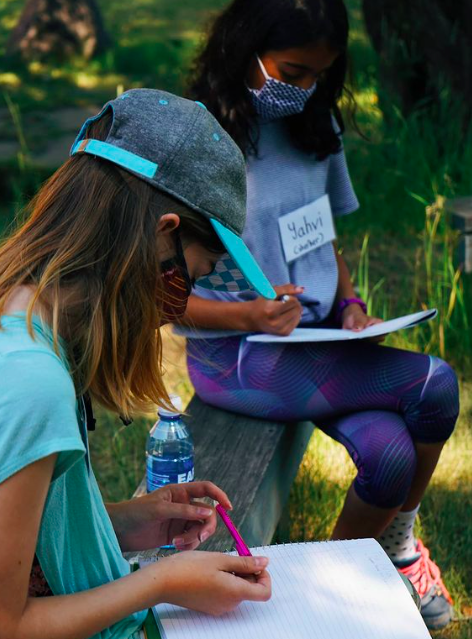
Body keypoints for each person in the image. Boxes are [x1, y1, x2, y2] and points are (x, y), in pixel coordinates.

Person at [179, 0, 460, 630]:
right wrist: (248, 312)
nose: (303, 89)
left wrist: (352, 304)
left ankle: (332, 594)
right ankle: (397, 552)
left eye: (319, 76)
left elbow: (319, 234)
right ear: (243, 49)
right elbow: (153, 294)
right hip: (239, 358)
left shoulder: (313, 124)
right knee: (435, 382)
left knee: (389, 457)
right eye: (291, 70)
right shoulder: (199, 144)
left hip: (318, 343)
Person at [0, 89, 273, 639]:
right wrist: (163, 583)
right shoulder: (33, 380)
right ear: (161, 233)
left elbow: (30, 547)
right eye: (193, 275)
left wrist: (127, 521)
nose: (182, 300)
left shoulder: (27, 320)